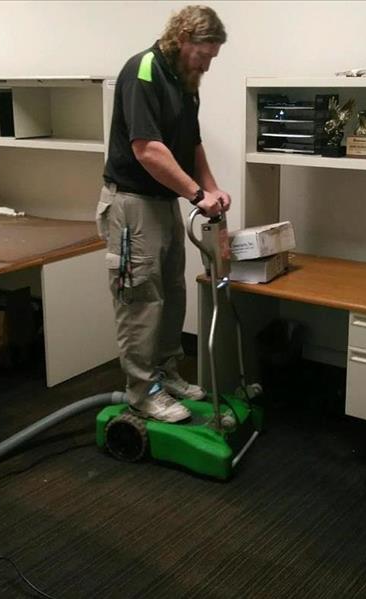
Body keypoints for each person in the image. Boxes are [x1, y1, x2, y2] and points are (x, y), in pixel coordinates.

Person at [96, 6, 230, 423]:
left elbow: (191, 145)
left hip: (163, 202)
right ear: (183, 39)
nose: (207, 64)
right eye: (202, 55)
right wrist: (196, 194)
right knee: (140, 301)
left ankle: (166, 374)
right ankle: (142, 391)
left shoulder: (187, 82)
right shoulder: (144, 71)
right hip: (132, 205)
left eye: (212, 58)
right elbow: (147, 149)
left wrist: (211, 187)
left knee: (172, 293)